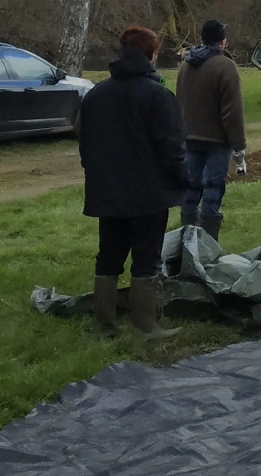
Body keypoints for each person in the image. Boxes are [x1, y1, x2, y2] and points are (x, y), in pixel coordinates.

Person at [80, 25, 186, 341]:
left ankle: (104, 327)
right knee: (146, 258)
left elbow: (85, 147)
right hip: (148, 195)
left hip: (107, 194)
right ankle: (146, 326)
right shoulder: (159, 96)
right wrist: (185, 181)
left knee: (108, 256)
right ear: (151, 55)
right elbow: (172, 149)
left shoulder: (96, 95)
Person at [175, 18, 246, 242]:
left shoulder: (186, 64)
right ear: (222, 42)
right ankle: (208, 245)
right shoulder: (226, 66)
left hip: (189, 136)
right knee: (213, 190)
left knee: (191, 189)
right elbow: (232, 111)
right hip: (217, 140)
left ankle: (187, 240)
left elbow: (181, 101)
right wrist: (239, 145)